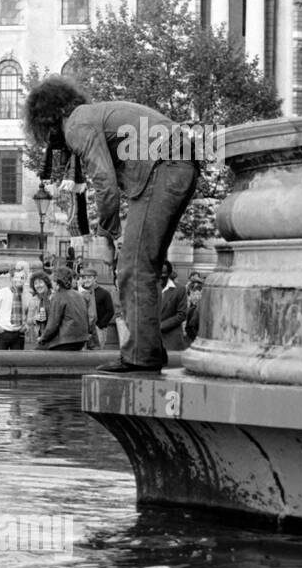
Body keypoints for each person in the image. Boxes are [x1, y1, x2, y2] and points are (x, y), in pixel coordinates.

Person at [24, 76, 199, 372]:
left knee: (132, 267)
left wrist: (105, 236)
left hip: (165, 168)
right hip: (179, 165)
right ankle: (147, 351)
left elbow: (105, 182)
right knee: (145, 265)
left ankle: (141, 355)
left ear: (47, 119)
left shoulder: (77, 124)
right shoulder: (94, 114)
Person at [37, 266, 89, 351]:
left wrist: (42, 338)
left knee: (36, 353)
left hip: (65, 341)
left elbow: (53, 325)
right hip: (81, 340)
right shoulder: (79, 295)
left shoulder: (58, 296)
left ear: (57, 282)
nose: (51, 284)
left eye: (53, 281)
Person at [0, 260, 33, 351]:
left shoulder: (28, 295)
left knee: (17, 360)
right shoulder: (2, 293)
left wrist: (27, 326)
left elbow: (30, 314)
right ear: (11, 279)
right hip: (3, 331)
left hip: (19, 333)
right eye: (16, 277)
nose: (18, 281)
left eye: (22, 278)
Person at [78, 267, 115, 350]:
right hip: (84, 330)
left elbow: (110, 311)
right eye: (84, 278)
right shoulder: (81, 293)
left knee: (97, 353)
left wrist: (100, 326)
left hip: (98, 329)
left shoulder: (104, 293)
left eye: (89, 277)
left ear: (95, 278)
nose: (86, 280)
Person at [159, 260, 188, 354]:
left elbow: (182, 314)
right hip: (150, 340)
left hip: (170, 340)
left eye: (163, 275)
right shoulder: (149, 288)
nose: (160, 278)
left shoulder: (179, 289)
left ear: (169, 274)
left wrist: (161, 326)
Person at [27, 272, 52, 344]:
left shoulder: (54, 297)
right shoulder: (33, 300)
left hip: (54, 335)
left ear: (46, 283)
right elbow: (28, 321)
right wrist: (35, 318)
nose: (38, 286)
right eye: (35, 283)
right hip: (39, 336)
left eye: (40, 282)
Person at [183, 272, 204, 347]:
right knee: (189, 324)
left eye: (197, 277)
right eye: (194, 277)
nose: (195, 278)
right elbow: (188, 296)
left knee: (193, 323)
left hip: (198, 307)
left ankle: (194, 338)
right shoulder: (189, 286)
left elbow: (199, 297)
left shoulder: (202, 287)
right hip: (191, 306)